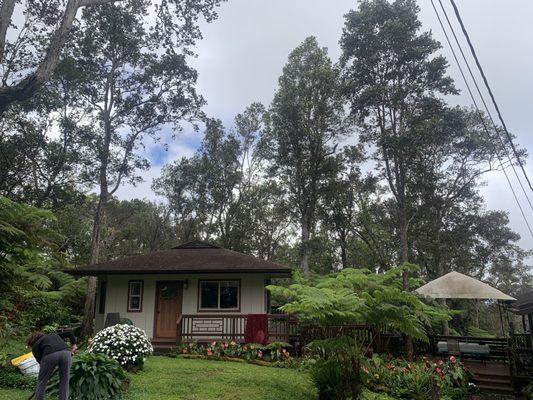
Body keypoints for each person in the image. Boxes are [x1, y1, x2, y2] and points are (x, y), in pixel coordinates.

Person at [26, 331, 78, 400]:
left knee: (42, 382)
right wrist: (74, 344)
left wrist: (48, 370)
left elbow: (41, 362)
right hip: (66, 353)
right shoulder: (53, 335)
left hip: (50, 355)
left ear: (32, 342)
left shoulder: (35, 346)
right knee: (64, 381)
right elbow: (69, 333)